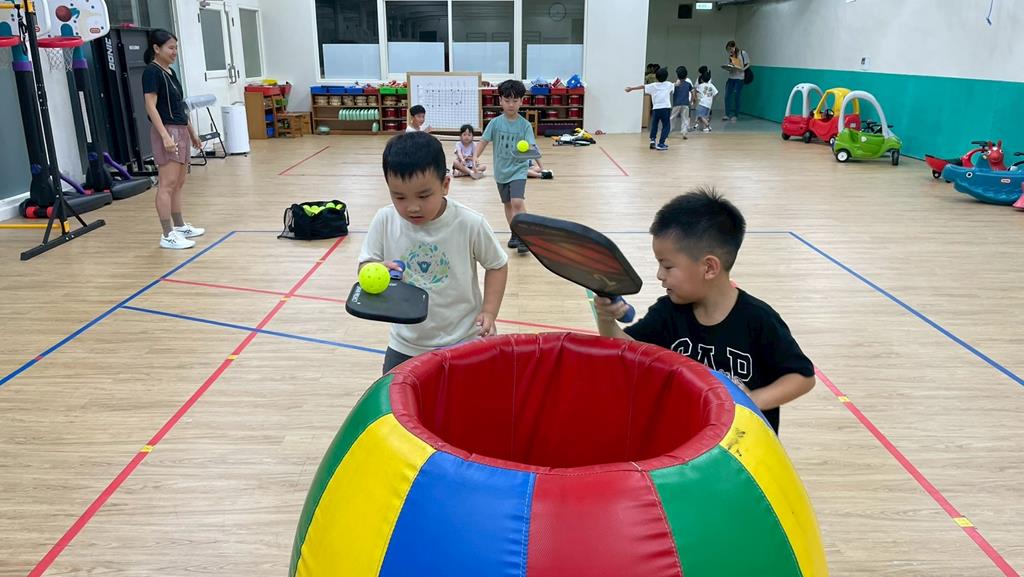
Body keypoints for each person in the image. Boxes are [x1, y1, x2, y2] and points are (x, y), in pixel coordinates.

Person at [592, 188, 815, 434]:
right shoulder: (668, 313)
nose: (659, 275)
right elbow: (626, 352)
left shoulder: (758, 320)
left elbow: (802, 377)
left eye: (667, 266)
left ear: (709, 268)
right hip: (688, 443)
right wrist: (606, 318)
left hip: (742, 446)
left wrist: (751, 401)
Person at [358, 131, 509, 374]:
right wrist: (374, 269)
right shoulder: (385, 219)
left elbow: (497, 265)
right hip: (406, 343)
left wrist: (489, 312)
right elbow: (366, 265)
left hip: (464, 340)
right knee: (393, 397)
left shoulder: (469, 223)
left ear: (445, 185)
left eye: (424, 195)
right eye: (399, 197)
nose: (412, 207)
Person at [142, 29, 204, 250]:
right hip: (167, 131)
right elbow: (150, 106)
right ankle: (167, 234)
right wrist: (165, 136)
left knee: (179, 183)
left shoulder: (171, 72)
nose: (175, 52)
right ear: (156, 49)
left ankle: (179, 226)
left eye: (176, 47)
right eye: (170, 48)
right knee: (167, 184)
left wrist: (192, 132)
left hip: (180, 130)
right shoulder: (152, 72)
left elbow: (180, 107)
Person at [472, 79, 535, 255]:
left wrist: (529, 154)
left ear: (521, 101)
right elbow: (484, 141)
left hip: (518, 170)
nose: (511, 104)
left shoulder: (525, 125)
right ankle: (515, 233)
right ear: (500, 100)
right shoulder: (495, 123)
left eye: (515, 100)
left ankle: (524, 236)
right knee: (507, 204)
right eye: (507, 100)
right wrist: (475, 156)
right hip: (501, 171)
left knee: (517, 202)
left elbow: (531, 147)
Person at [626, 66, 673, 151]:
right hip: (665, 108)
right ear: (666, 77)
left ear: (656, 77)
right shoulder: (669, 84)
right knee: (666, 126)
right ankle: (661, 143)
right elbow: (676, 84)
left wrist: (631, 88)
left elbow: (643, 86)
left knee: (654, 125)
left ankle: (652, 140)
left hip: (656, 108)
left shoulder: (653, 85)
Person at [724, 40, 750, 122]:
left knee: (736, 95)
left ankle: (736, 115)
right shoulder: (731, 56)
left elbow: (748, 63)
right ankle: (727, 114)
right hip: (731, 77)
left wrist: (743, 69)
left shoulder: (742, 53)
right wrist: (728, 67)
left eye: (730, 49)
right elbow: (730, 66)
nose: (730, 51)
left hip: (739, 78)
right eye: (728, 50)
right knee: (727, 96)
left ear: (734, 47)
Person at [671, 65, 693, 139]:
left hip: (676, 104)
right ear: (686, 75)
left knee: (672, 118)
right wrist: (692, 101)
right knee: (685, 119)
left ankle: (668, 131)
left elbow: (670, 91)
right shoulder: (688, 84)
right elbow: (693, 92)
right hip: (686, 104)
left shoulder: (675, 84)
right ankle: (684, 132)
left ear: (677, 75)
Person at [694, 66, 718, 132]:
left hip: (702, 103)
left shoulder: (701, 85)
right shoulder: (711, 85)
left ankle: (708, 126)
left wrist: (695, 97)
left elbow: (696, 90)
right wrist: (713, 98)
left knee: (700, 115)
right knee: (705, 116)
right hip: (709, 103)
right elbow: (716, 93)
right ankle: (703, 127)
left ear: (702, 79)